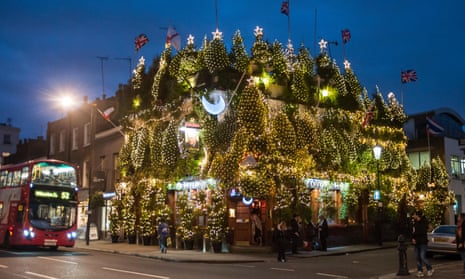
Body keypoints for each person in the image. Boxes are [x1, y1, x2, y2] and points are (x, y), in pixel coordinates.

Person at [412, 210, 433, 277]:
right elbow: (413, 232)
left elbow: (429, 228)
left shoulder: (424, 222)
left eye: (414, 215)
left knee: (422, 256)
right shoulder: (414, 223)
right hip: (416, 243)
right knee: (418, 258)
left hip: (423, 242)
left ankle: (430, 269)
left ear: (417, 215)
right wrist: (413, 238)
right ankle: (420, 271)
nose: (413, 216)